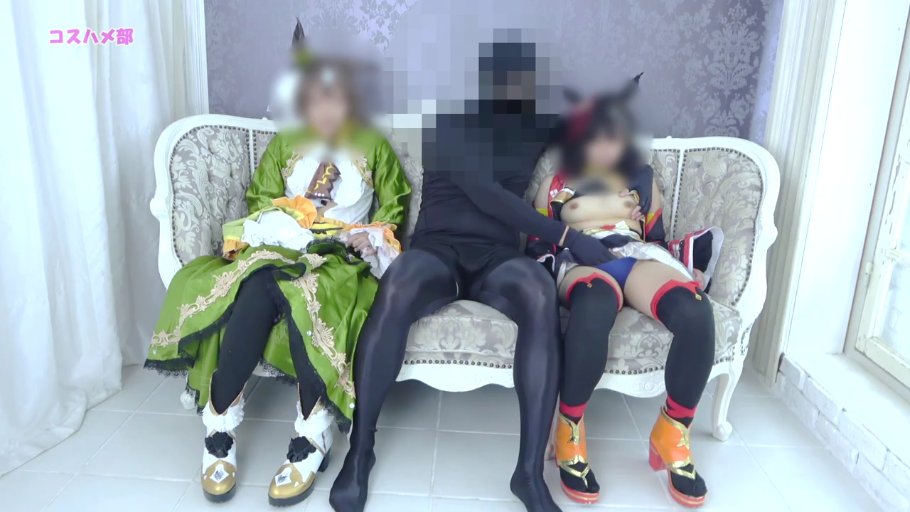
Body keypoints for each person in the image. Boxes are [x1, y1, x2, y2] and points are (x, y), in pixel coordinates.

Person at [329, 40, 617, 512]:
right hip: (438, 249)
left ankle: (528, 475)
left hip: (497, 257)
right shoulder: (447, 121)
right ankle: (360, 451)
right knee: (399, 281)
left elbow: (590, 126)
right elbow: (487, 194)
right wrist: (567, 237)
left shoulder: (536, 127)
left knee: (538, 290)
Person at [144, 28, 411, 507]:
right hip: (284, 245)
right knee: (258, 283)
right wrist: (289, 223)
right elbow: (260, 199)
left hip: (340, 257)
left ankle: (311, 435)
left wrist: (369, 236)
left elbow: (393, 208)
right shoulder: (286, 143)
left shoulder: (373, 146)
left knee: (312, 297)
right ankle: (219, 425)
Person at [527, 79, 717, 508]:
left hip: (636, 257)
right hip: (582, 260)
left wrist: (687, 266)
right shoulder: (556, 183)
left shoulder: (642, 179)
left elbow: (656, 238)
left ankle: (673, 432)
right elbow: (539, 242)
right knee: (594, 302)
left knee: (694, 309)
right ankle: (569, 431)